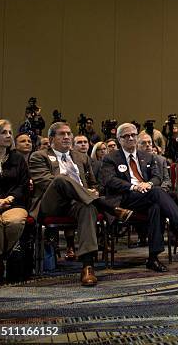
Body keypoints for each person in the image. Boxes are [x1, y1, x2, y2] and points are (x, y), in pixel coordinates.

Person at [100, 123, 178, 272]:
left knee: (156, 206)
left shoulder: (147, 156)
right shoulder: (110, 158)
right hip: (124, 199)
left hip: (146, 196)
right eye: (126, 136)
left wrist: (148, 184)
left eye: (133, 135)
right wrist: (134, 186)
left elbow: (157, 177)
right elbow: (109, 180)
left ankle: (153, 258)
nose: (131, 138)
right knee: (157, 193)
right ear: (119, 139)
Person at [30, 122, 128, 286]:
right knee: (61, 179)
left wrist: (94, 191)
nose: (67, 137)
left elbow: (93, 183)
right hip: (51, 204)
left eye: (69, 133)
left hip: (78, 202)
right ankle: (108, 207)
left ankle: (87, 266)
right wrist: (84, 192)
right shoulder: (39, 156)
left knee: (87, 206)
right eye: (62, 134)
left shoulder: (81, 157)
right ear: (51, 138)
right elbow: (46, 183)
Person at [0, 120, 29, 281]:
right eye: (3, 132)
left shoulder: (18, 158)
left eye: (9, 132)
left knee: (14, 222)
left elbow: (23, 184)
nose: (8, 135)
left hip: (14, 202)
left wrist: (9, 198)